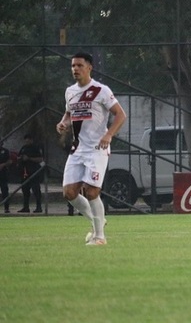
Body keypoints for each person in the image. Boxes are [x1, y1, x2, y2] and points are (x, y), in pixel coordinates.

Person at [56, 52, 126, 246]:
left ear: (89, 67)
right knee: (69, 193)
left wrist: (109, 134)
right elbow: (69, 113)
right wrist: (63, 123)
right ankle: (98, 222)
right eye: (72, 66)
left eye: (79, 65)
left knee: (92, 191)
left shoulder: (101, 90)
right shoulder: (70, 91)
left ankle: (100, 237)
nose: (75, 69)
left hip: (97, 148)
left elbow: (120, 115)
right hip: (77, 148)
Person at [17, 134, 44, 213]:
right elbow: (19, 156)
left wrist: (29, 158)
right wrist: (20, 158)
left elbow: (40, 159)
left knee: (36, 190)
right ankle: (26, 207)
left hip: (34, 172)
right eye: (26, 139)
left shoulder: (36, 148)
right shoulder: (23, 148)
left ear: (31, 140)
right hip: (24, 172)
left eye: (28, 139)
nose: (27, 141)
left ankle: (39, 207)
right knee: (25, 190)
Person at [0, 139, 12, 213]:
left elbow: (10, 161)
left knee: (5, 191)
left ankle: (6, 208)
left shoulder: (5, 151)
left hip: (3, 174)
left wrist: (3, 164)